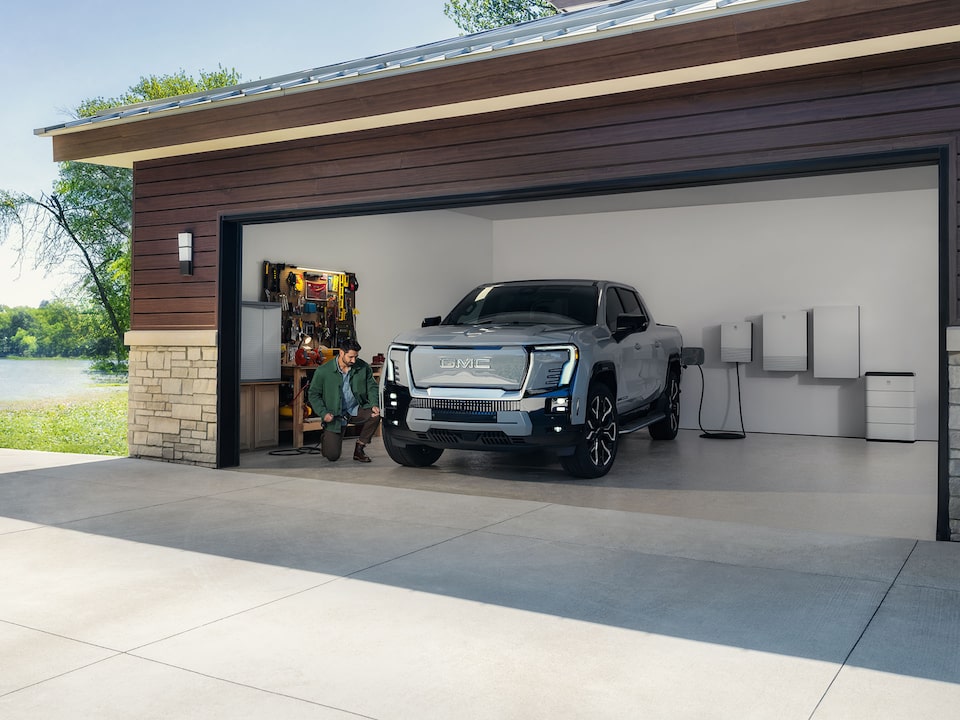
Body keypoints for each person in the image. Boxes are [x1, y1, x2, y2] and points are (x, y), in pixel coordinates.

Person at [306, 338, 381, 463]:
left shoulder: (363, 367)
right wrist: (323, 412)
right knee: (332, 456)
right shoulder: (323, 371)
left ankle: (359, 448)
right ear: (341, 353)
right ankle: (327, 438)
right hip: (334, 415)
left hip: (355, 409)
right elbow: (313, 394)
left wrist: (374, 404)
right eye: (351, 357)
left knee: (376, 415)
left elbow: (372, 386)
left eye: (356, 357)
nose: (354, 360)